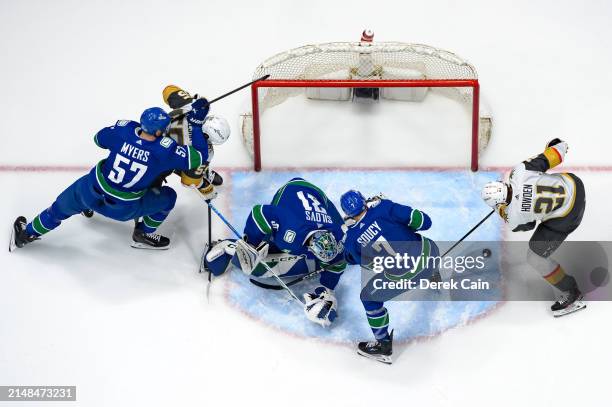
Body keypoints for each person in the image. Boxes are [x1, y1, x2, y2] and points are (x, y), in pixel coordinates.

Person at [10, 102, 211, 251]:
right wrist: (195, 123)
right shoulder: (164, 150)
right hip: (124, 209)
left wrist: (127, 132)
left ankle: (26, 235)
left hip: (88, 192)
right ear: (159, 131)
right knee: (168, 197)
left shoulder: (124, 131)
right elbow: (199, 157)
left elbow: (98, 139)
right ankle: (143, 234)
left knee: (57, 210)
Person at [203, 177, 347, 327]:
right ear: (310, 245)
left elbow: (337, 263)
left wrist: (327, 293)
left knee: (326, 262)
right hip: (292, 190)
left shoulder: (336, 234)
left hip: (318, 196)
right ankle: (228, 248)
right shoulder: (291, 229)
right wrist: (251, 245)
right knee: (263, 258)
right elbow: (259, 213)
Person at [481, 138, 586, 317]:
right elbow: (551, 156)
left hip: (569, 214)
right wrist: (558, 146)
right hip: (574, 184)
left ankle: (572, 293)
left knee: (535, 257)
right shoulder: (519, 172)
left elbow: (528, 226)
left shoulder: (512, 217)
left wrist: (501, 210)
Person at [340, 190, 439, 364]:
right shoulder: (385, 208)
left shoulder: (351, 240)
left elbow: (365, 264)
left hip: (407, 275)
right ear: (364, 201)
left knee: (369, 298)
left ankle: (383, 345)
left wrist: (351, 248)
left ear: (347, 214)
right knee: (420, 244)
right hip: (431, 254)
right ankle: (432, 274)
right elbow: (425, 222)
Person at [161, 85, 229, 201]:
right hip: (164, 159)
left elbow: (169, 90)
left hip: (156, 139)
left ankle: (201, 170)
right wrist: (204, 186)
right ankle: (202, 172)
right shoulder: (206, 152)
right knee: (190, 167)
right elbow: (188, 182)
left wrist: (192, 99)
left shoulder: (189, 107)